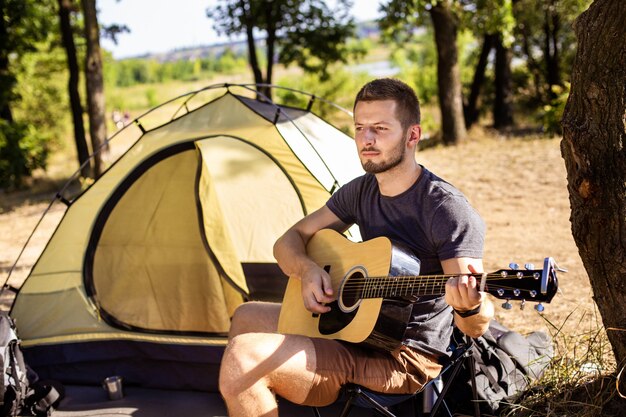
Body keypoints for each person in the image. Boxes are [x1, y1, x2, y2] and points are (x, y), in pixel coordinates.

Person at [218, 78, 494, 417]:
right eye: (360, 128)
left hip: (401, 358)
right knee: (246, 317)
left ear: (412, 135)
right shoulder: (361, 191)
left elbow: (475, 326)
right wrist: (308, 270)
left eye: (380, 128)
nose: (366, 139)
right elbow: (288, 241)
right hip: (355, 330)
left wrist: (467, 308)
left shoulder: (445, 208)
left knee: (243, 357)